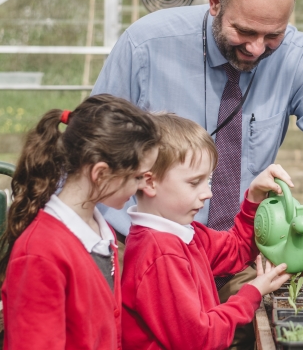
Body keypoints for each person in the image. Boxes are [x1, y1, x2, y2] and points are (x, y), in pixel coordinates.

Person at [93, 0, 303, 302]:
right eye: (244, 31)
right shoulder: (146, 46)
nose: (256, 48)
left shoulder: (295, 58)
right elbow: (91, 149)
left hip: (232, 255)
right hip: (141, 252)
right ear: (215, 2)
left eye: (272, 35)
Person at [0, 94, 160, 350]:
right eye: (138, 176)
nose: (143, 187)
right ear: (101, 173)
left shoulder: (99, 234)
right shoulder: (40, 254)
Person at [122, 113, 292, 350]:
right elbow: (199, 339)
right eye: (194, 182)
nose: (207, 193)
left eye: (208, 182)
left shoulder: (186, 234)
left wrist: (254, 196)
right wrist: (251, 292)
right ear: (150, 183)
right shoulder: (161, 255)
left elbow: (238, 249)